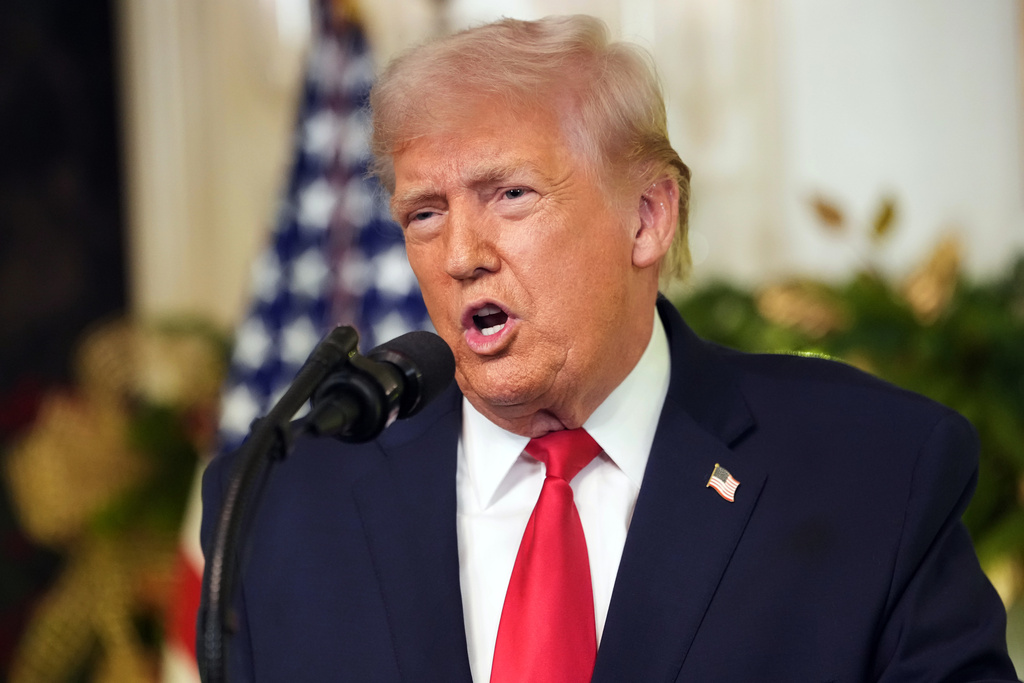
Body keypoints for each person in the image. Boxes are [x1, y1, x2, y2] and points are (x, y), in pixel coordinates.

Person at [200, 15, 1018, 682]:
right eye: (424, 214)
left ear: (648, 217)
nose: (460, 254)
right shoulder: (282, 505)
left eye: (509, 194)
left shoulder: (868, 471)